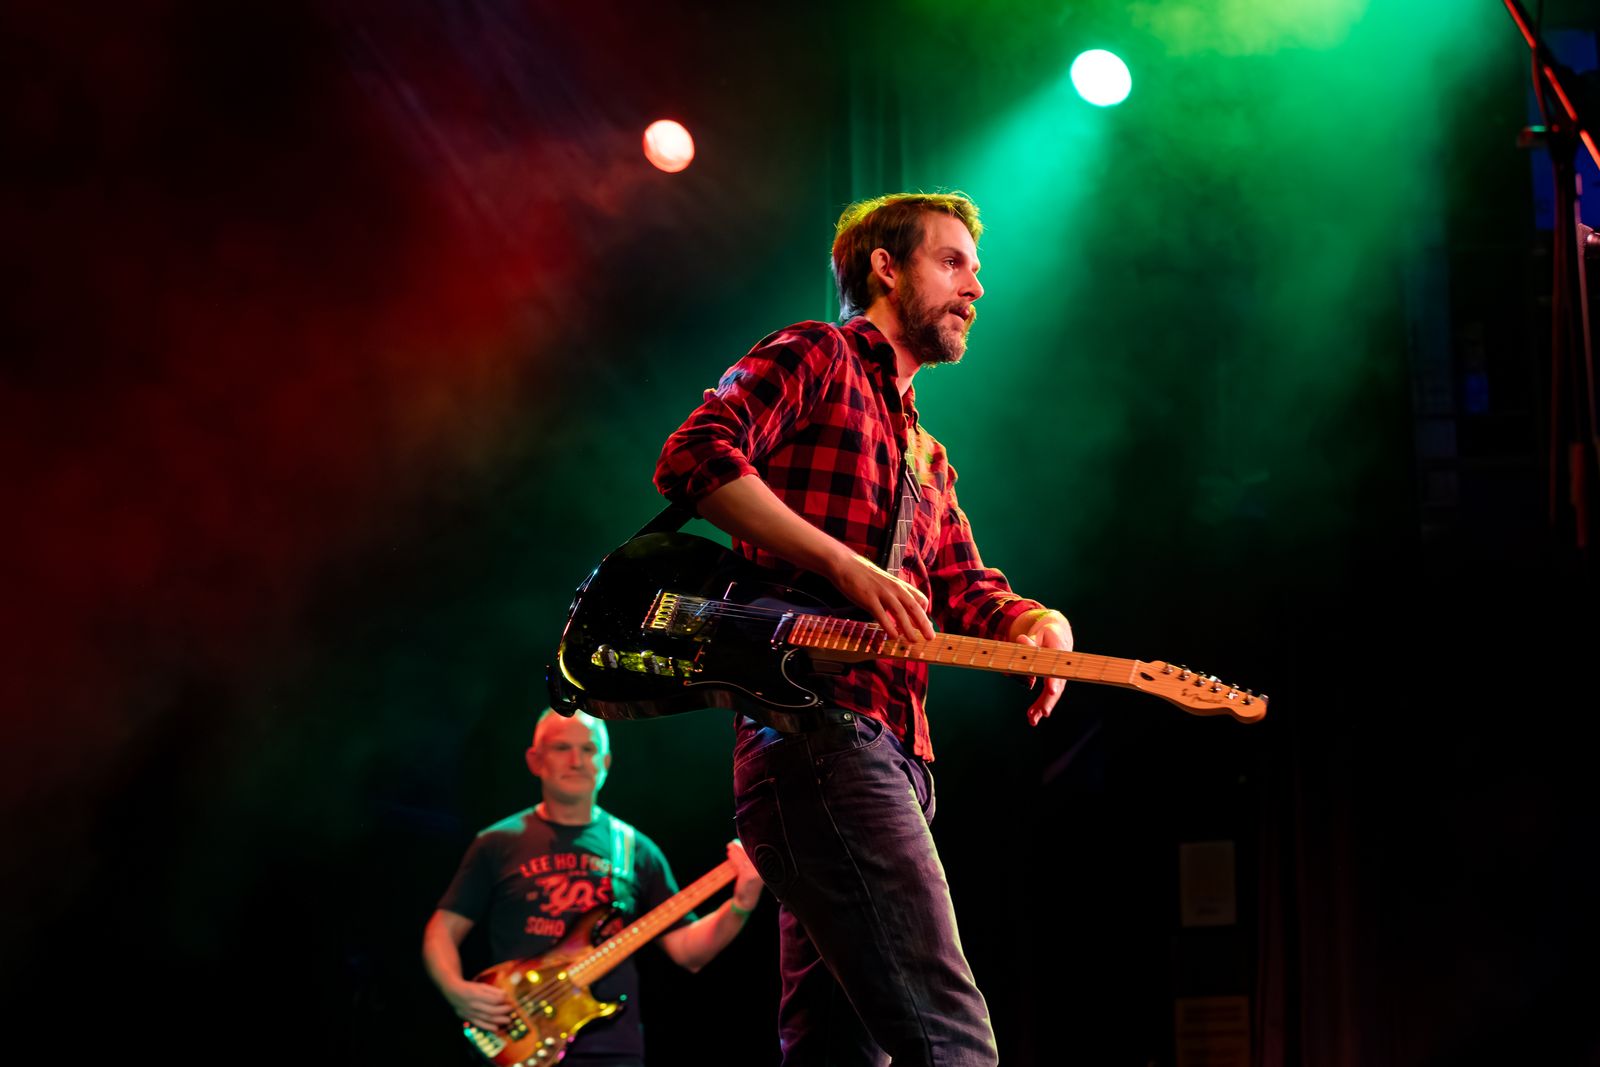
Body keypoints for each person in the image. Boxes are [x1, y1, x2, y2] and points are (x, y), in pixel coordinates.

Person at [652, 191, 1074, 1067]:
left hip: (893, 753)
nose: (976, 288)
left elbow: (963, 586)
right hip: (820, 736)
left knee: (837, 1055)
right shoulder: (820, 353)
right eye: (952, 263)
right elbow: (695, 454)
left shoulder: (926, 453)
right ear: (886, 266)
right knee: (952, 1038)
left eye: (977, 270)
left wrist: (1039, 621)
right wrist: (843, 565)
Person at [422, 707, 764, 1067]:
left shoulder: (635, 849)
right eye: (562, 748)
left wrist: (741, 903)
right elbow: (441, 930)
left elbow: (688, 951)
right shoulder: (497, 842)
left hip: (612, 1050)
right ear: (535, 760)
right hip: (518, 1040)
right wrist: (456, 990)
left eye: (588, 749)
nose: (576, 760)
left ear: (606, 761)